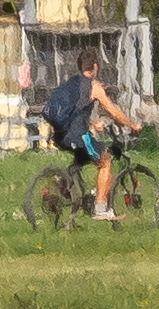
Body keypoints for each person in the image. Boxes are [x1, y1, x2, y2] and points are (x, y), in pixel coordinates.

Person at [36, 58, 146, 221]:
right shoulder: (94, 87)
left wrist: (93, 122)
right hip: (78, 136)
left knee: (81, 160)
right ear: (95, 67)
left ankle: (61, 188)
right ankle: (100, 208)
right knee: (105, 161)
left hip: (59, 135)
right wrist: (132, 125)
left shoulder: (71, 84)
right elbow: (113, 113)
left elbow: (72, 114)